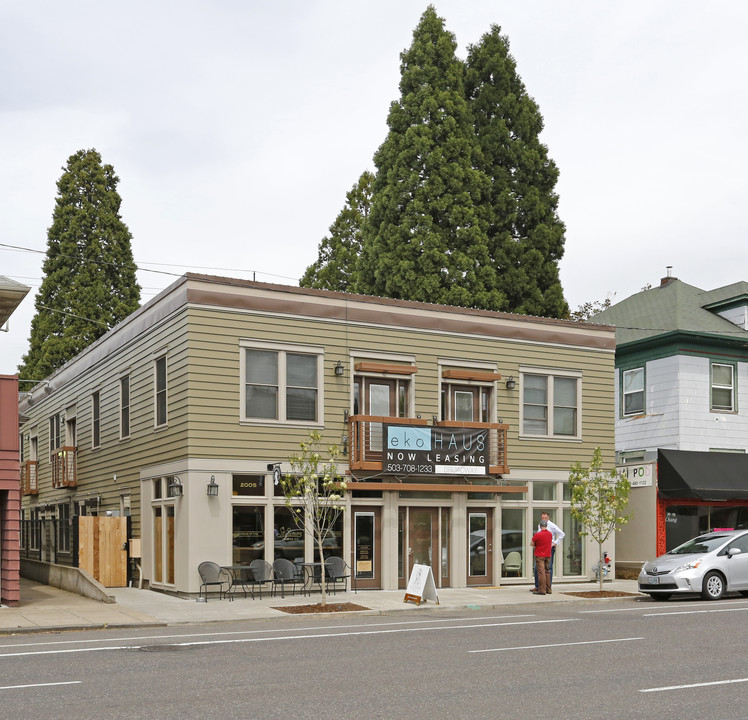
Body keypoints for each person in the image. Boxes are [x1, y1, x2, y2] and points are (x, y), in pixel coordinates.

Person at [530, 511, 565, 592]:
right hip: (541, 548)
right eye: (542, 517)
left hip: (549, 549)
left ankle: (547, 588)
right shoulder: (540, 525)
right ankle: (538, 586)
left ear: (548, 517)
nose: (544, 519)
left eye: (545, 517)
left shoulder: (552, 525)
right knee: (536, 568)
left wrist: (555, 543)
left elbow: (562, 534)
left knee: (548, 568)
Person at [530, 520, 553, 595]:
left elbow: (531, 543)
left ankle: (542, 590)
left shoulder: (537, 534)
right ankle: (548, 589)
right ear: (546, 526)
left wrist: (536, 544)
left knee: (541, 573)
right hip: (548, 555)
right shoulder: (550, 534)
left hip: (540, 555)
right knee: (547, 571)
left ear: (540, 526)